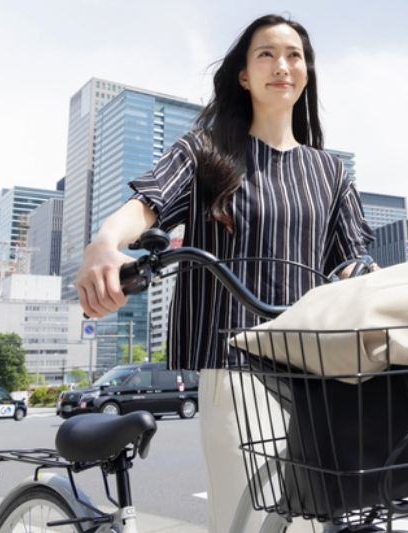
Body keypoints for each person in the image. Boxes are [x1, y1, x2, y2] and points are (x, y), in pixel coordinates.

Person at [77, 14, 374, 532]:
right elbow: (147, 205)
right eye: (266, 54)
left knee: (319, 512)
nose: (282, 65)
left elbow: (353, 260)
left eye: (294, 55)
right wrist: (104, 244)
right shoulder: (206, 151)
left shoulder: (330, 172)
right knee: (254, 516)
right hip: (233, 361)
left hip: (312, 363)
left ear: (307, 72)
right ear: (243, 74)